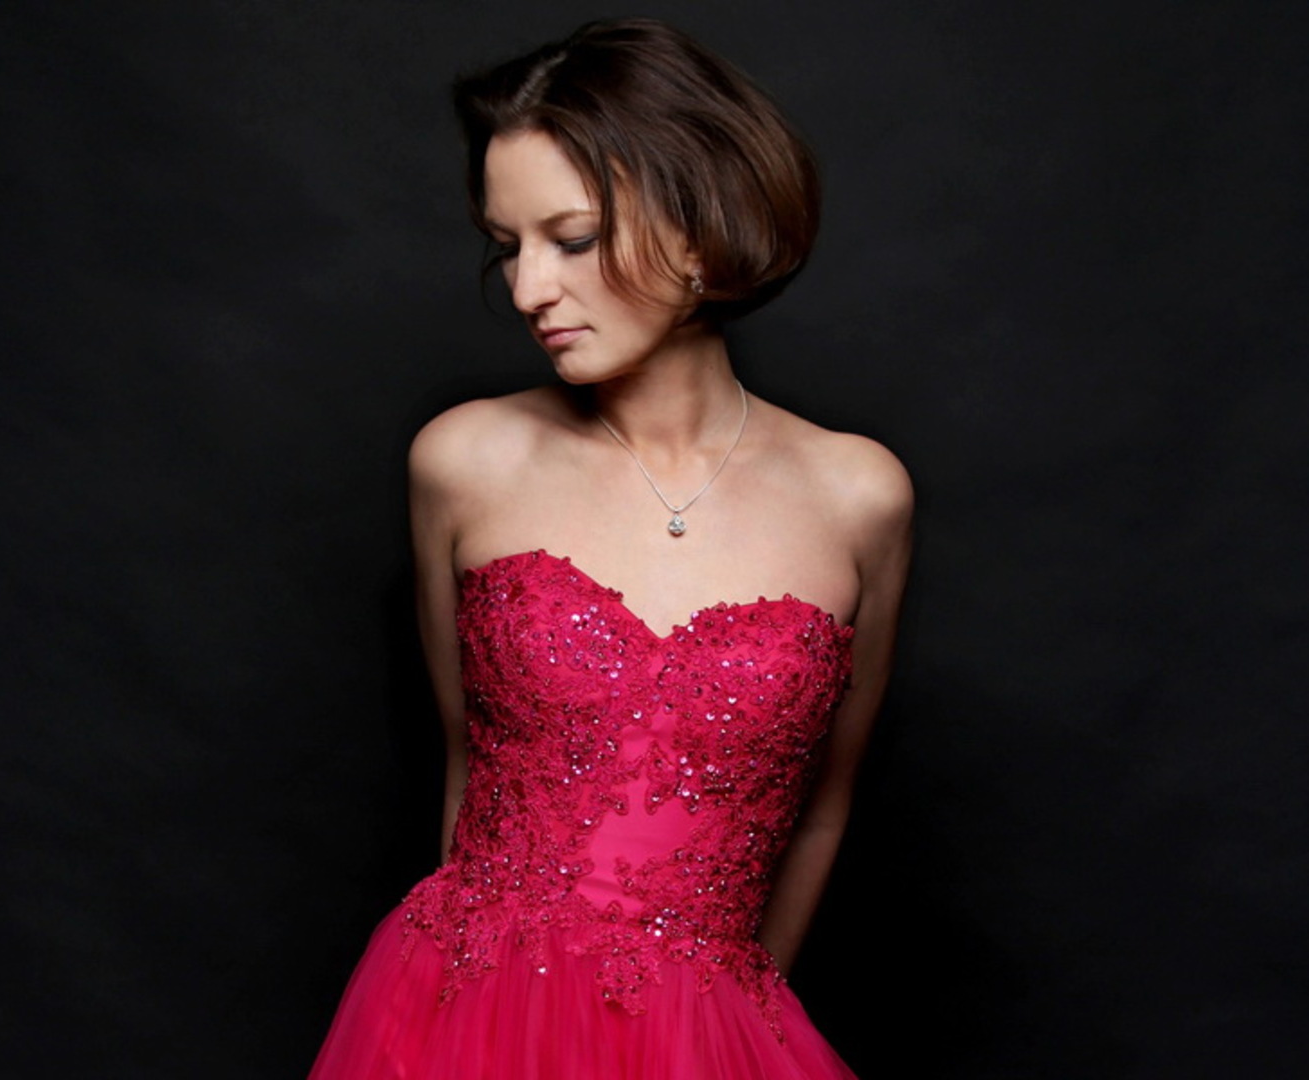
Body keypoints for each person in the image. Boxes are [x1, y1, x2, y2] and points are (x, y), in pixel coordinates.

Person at [309, 18, 910, 1079]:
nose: (528, 290)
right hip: (466, 1015)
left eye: (573, 239)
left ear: (699, 228)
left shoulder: (857, 497)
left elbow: (823, 807)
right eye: (508, 246)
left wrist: (710, 1031)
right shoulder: (466, 462)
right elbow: (467, 768)